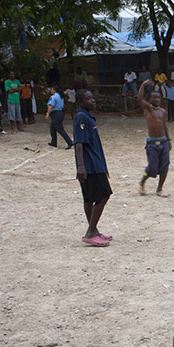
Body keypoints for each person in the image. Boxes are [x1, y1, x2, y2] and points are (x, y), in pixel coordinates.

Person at [73, 89, 112, 247]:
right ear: (81, 102)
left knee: (89, 198)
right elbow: (79, 143)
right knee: (104, 195)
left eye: (92, 98)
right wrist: (81, 166)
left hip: (97, 165)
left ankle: (94, 230)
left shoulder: (88, 117)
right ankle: (90, 232)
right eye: (88, 99)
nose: (93, 100)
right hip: (90, 167)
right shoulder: (81, 117)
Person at [137, 80, 171, 197]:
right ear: (150, 100)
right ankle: (142, 183)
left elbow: (164, 125)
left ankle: (159, 189)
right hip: (152, 143)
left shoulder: (162, 111)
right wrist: (143, 85)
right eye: (154, 97)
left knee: (164, 167)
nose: (156, 99)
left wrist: (168, 139)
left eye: (158, 97)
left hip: (163, 141)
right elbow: (140, 99)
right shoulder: (148, 109)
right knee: (152, 167)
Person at [46, 85, 73, 149]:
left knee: (60, 129)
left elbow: (51, 106)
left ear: (54, 90)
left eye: (52, 89)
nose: (51, 90)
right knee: (52, 128)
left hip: (56, 113)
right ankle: (53, 142)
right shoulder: (60, 96)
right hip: (60, 113)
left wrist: (47, 113)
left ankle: (69, 142)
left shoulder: (53, 97)